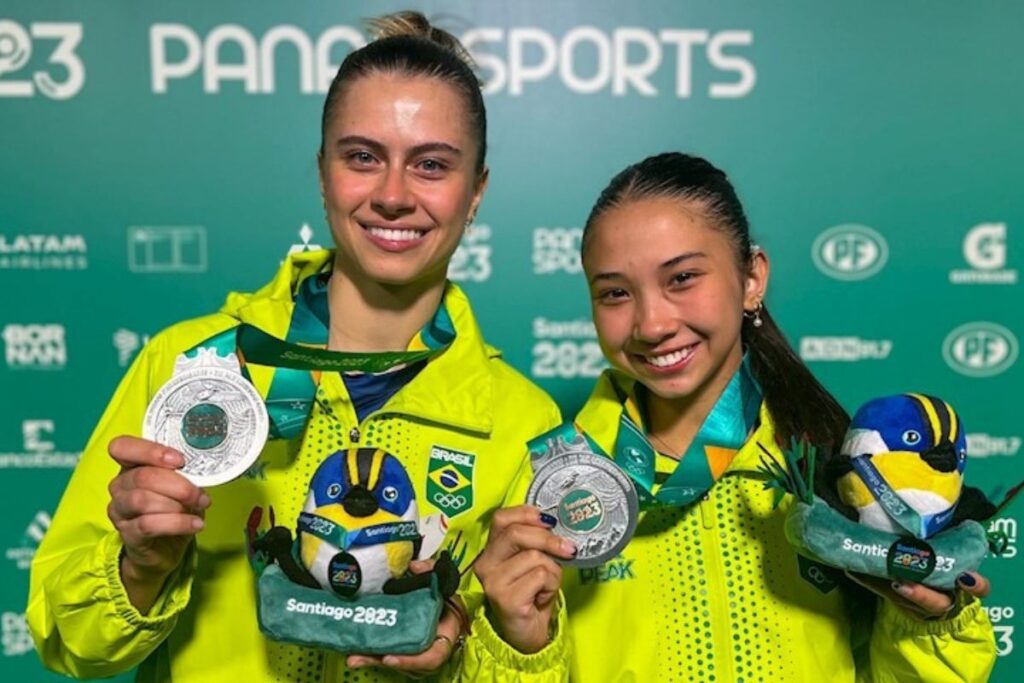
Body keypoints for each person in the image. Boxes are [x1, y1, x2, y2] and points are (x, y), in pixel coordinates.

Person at [27, 11, 560, 682]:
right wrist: (142, 565)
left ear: (476, 191)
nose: (393, 195)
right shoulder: (197, 364)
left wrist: (454, 650)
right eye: (362, 157)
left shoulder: (522, 422)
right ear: (322, 170)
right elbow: (69, 641)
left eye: (431, 165)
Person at [463, 153, 997, 681]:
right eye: (616, 293)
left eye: (682, 278)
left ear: (751, 278)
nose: (651, 324)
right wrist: (519, 646)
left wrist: (932, 622)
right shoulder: (552, 488)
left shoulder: (836, 468)